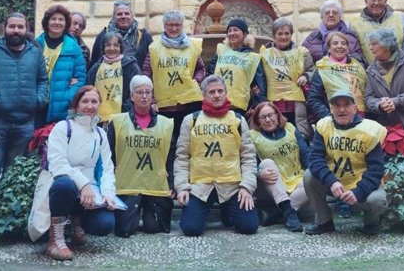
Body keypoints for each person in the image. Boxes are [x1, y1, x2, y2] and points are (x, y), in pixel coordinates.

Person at [0, 12, 49, 242]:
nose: (16, 31)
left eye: (20, 27)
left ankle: (6, 218)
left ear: (26, 29)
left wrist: (37, 101)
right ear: (4, 28)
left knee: (13, 171)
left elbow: (43, 81)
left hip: (25, 122)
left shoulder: (35, 53)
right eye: (12, 27)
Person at [174, 75, 259, 236]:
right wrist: (182, 187)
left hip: (232, 185)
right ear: (204, 96)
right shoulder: (191, 120)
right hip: (201, 186)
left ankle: (228, 210)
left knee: (249, 227)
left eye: (220, 91)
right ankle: (221, 211)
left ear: (226, 93)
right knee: (190, 229)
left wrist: (247, 187)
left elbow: (248, 157)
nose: (217, 95)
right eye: (212, 92)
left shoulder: (238, 120)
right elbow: (182, 157)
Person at [44, 86, 116, 260]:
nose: (89, 106)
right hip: (65, 186)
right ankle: (56, 239)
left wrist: (108, 193)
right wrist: (83, 184)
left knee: (105, 225)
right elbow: (58, 163)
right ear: (75, 106)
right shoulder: (63, 128)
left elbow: (107, 167)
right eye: (85, 101)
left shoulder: (100, 134)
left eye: (94, 101)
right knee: (64, 184)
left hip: (90, 192)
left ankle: (77, 222)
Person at [303, 89, 387, 235]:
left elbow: (376, 169)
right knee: (309, 176)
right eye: (336, 105)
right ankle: (324, 221)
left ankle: (371, 223)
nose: (341, 110)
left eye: (346, 105)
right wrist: (331, 181)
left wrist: (359, 191)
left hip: (362, 183)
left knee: (377, 200)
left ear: (355, 108)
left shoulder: (370, 130)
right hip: (335, 183)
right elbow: (315, 160)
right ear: (331, 108)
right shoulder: (324, 126)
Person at [107, 76, 175, 238]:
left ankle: (146, 213)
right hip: (128, 184)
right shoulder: (118, 122)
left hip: (155, 185)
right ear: (131, 96)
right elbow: (109, 153)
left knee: (155, 227)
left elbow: (171, 155)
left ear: (152, 95)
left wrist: (171, 181)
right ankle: (135, 213)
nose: (144, 96)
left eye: (147, 92)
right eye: (139, 92)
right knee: (125, 230)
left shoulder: (165, 124)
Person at [142, 10, 204, 141]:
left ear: (182, 26)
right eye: (170, 25)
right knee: (166, 143)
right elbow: (146, 74)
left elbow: (201, 69)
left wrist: (196, 82)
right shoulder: (154, 48)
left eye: (177, 25)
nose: (174, 28)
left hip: (188, 103)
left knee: (187, 142)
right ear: (164, 26)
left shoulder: (192, 46)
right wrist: (151, 99)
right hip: (163, 106)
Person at [249, 102, 309, 232]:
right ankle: (288, 211)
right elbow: (247, 164)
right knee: (266, 163)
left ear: (277, 115)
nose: (268, 120)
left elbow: (306, 155)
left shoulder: (290, 128)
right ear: (257, 120)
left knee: (312, 180)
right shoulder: (253, 136)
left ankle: (278, 212)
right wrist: (259, 174)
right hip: (270, 184)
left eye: (270, 115)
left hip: (295, 181)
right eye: (263, 117)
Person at [259, 18, 314, 139]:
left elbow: (312, 70)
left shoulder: (302, 53)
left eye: (287, 33)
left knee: (298, 133)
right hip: (274, 101)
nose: (283, 37)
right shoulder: (265, 54)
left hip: (296, 103)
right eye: (280, 33)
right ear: (274, 35)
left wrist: (305, 76)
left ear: (291, 34)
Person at [36, 5, 87, 124]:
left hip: (61, 109)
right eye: (53, 19)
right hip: (37, 106)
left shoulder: (74, 48)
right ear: (47, 22)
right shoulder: (35, 45)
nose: (57, 22)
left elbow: (80, 79)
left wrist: (67, 98)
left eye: (61, 19)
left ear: (66, 24)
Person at [207, 18, 267, 114]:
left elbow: (258, 86)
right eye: (229, 31)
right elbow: (209, 75)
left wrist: (257, 107)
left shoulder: (253, 58)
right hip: (216, 103)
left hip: (238, 107)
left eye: (235, 30)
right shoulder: (221, 51)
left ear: (244, 34)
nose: (231, 33)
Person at [308, 31, 368, 121]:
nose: (339, 46)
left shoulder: (358, 66)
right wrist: (329, 118)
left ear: (347, 48)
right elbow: (314, 98)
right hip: (334, 119)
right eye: (335, 43)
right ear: (329, 48)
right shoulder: (322, 68)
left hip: (360, 118)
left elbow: (367, 91)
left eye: (343, 43)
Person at [349, 0, 404, 65]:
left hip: (399, 69)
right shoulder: (355, 22)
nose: (376, 3)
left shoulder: (401, 18)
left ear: (385, 1)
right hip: (369, 72)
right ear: (366, 1)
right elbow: (355, 51)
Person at [87, 32, 141, 124]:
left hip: (124, 117)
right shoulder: (95, 68)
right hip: (98, 120)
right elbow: (88, 89)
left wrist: (125, 108)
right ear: (103, 48)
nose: (112, 48)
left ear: (121, 48)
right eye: (108, 45)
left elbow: (138, 88)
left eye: (116, 45)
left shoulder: (130, 66)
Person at [90, 0, 153, 69]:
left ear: (132, 16)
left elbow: (151, 64)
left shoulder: (144, 37)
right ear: (114, 17)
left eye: (127, 13)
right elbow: (94, 63)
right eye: (119, 14)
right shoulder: (103, 36)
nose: (123, 16)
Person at [302, 0, 363, 64]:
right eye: (327, 13)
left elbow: (361, 60)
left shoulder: (351, 36)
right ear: (322, 16)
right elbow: (301, 61)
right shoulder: (312, 38)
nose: (331, 15)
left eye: (335, 13)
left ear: (340, 16)